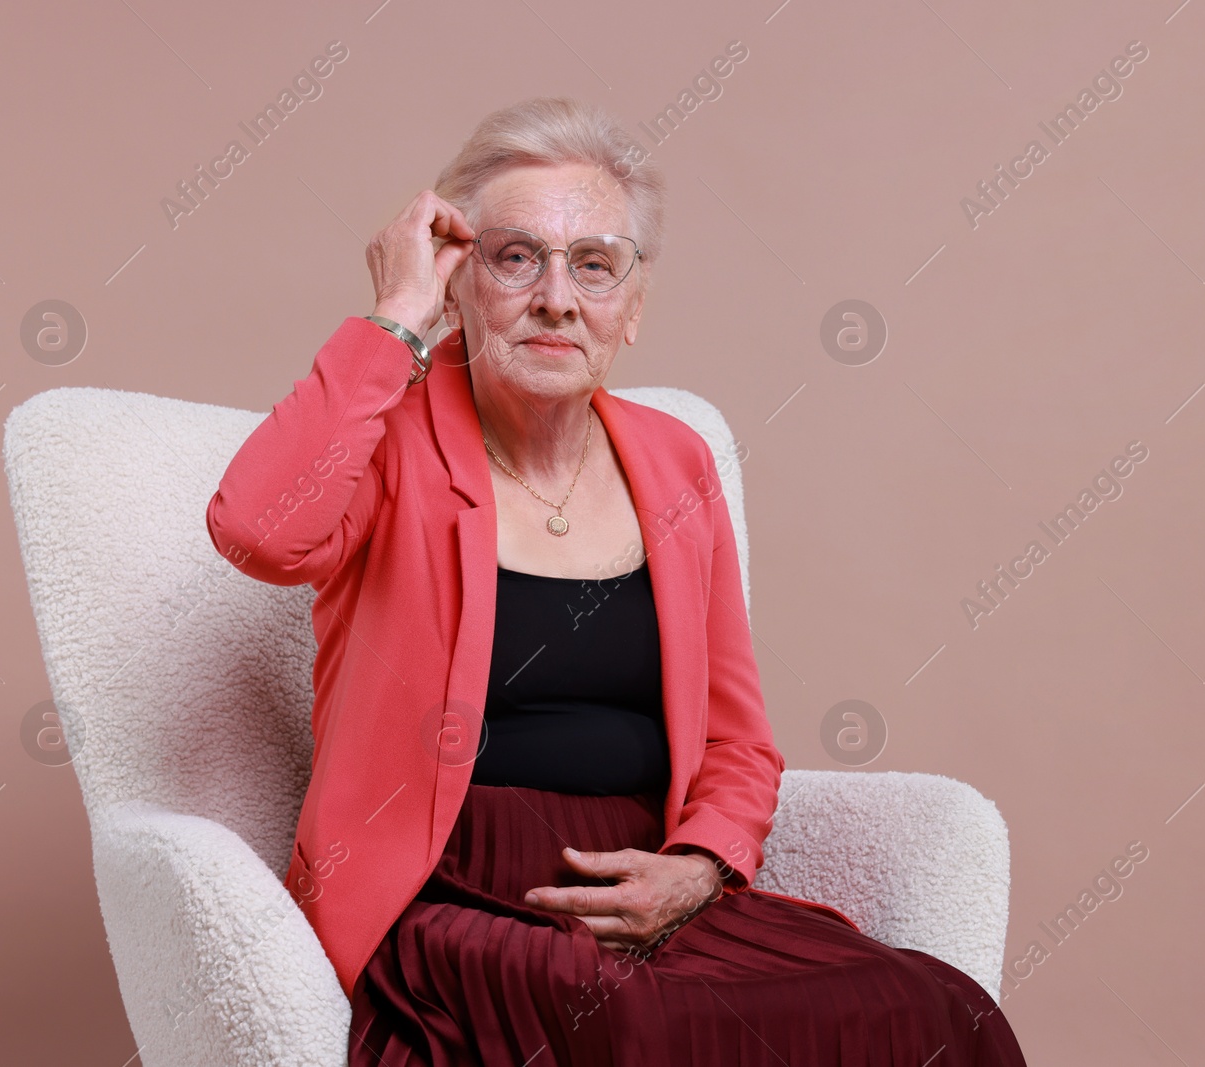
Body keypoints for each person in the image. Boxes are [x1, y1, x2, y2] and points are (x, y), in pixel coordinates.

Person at [205, 96, 1028, 1066]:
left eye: (593, 264)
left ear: (631, 308)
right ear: (459, 279)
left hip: (650, 894)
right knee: (638, 1027)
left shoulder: (675, 460)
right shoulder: (395, 439)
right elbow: (258, 529)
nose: (557, 295)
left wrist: (697, 864)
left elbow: (734, 736)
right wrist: (394, 319)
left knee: (936, 1007)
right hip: (447, 891)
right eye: (516, 258)